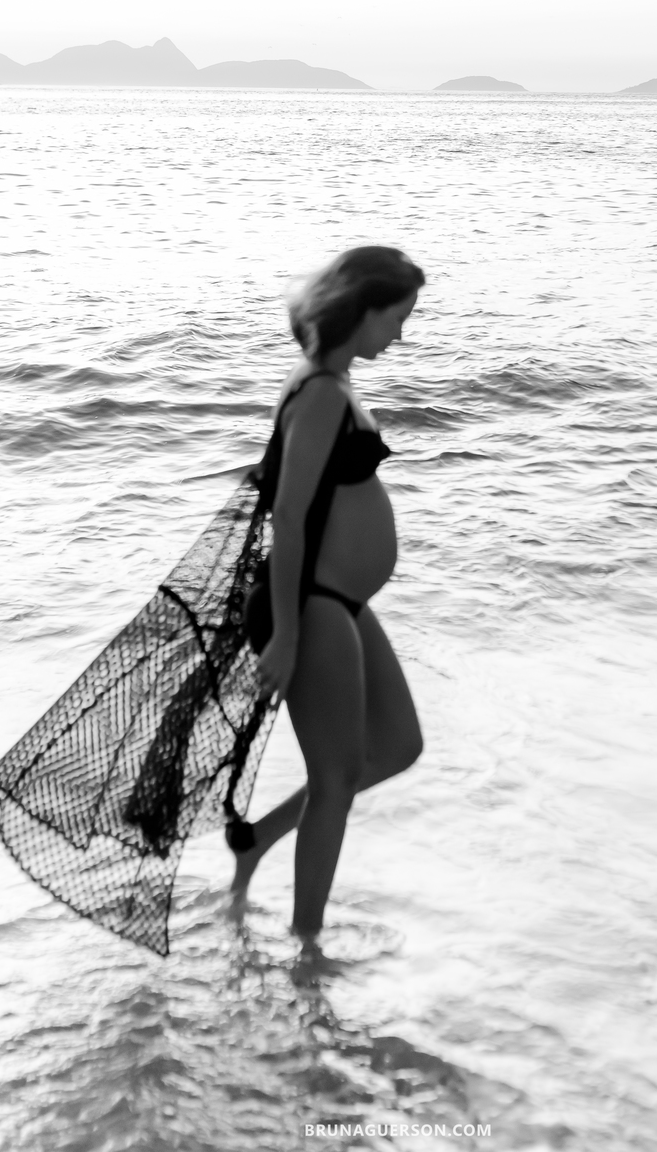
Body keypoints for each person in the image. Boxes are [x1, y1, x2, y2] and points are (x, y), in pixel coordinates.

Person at [229, 245, 426, 938]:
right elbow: (288, 514)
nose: (400, 333)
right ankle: (306, 950)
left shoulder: (333, 382)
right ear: (362, 308)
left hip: (335, 601)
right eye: (396, 317)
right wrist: (284, 632)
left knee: (399, 744)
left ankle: (259, 840)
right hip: (308, 602)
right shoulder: (317, 391)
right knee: (337, 777)